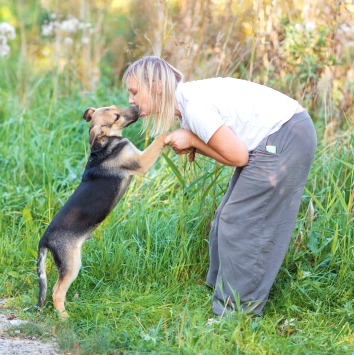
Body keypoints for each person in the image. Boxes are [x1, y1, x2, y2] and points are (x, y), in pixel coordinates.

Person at [122, 56, 317, 315]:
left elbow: (237, 157)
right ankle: (220, 293)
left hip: (286, 135)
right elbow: (232, 152)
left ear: (157, 85)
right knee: (226, 216)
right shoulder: (187, 103)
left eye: (135, 92)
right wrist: (193, 141)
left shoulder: (194, 107)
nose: (131, 100)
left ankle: (237, 313)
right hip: (278, 134)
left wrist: (191, 139)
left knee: (241, 221)